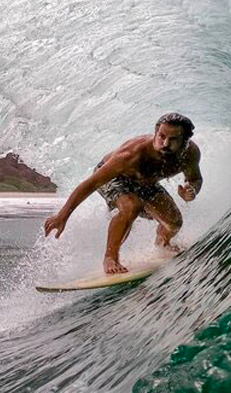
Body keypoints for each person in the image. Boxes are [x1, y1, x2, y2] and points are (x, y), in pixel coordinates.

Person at [43, 113, 203, 274]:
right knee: (132, 206)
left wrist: (192, 191)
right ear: (155, 133)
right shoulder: (131, 154)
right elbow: (90, 184)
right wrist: (62, 216)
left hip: (146, 182)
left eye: (173, 139)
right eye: (161, 136)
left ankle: (163, 243)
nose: (165, 143)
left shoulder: (190, 154)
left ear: (184, 142)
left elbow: (195, 178)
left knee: (174, 223)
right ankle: (110, 258)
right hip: (116, 178)